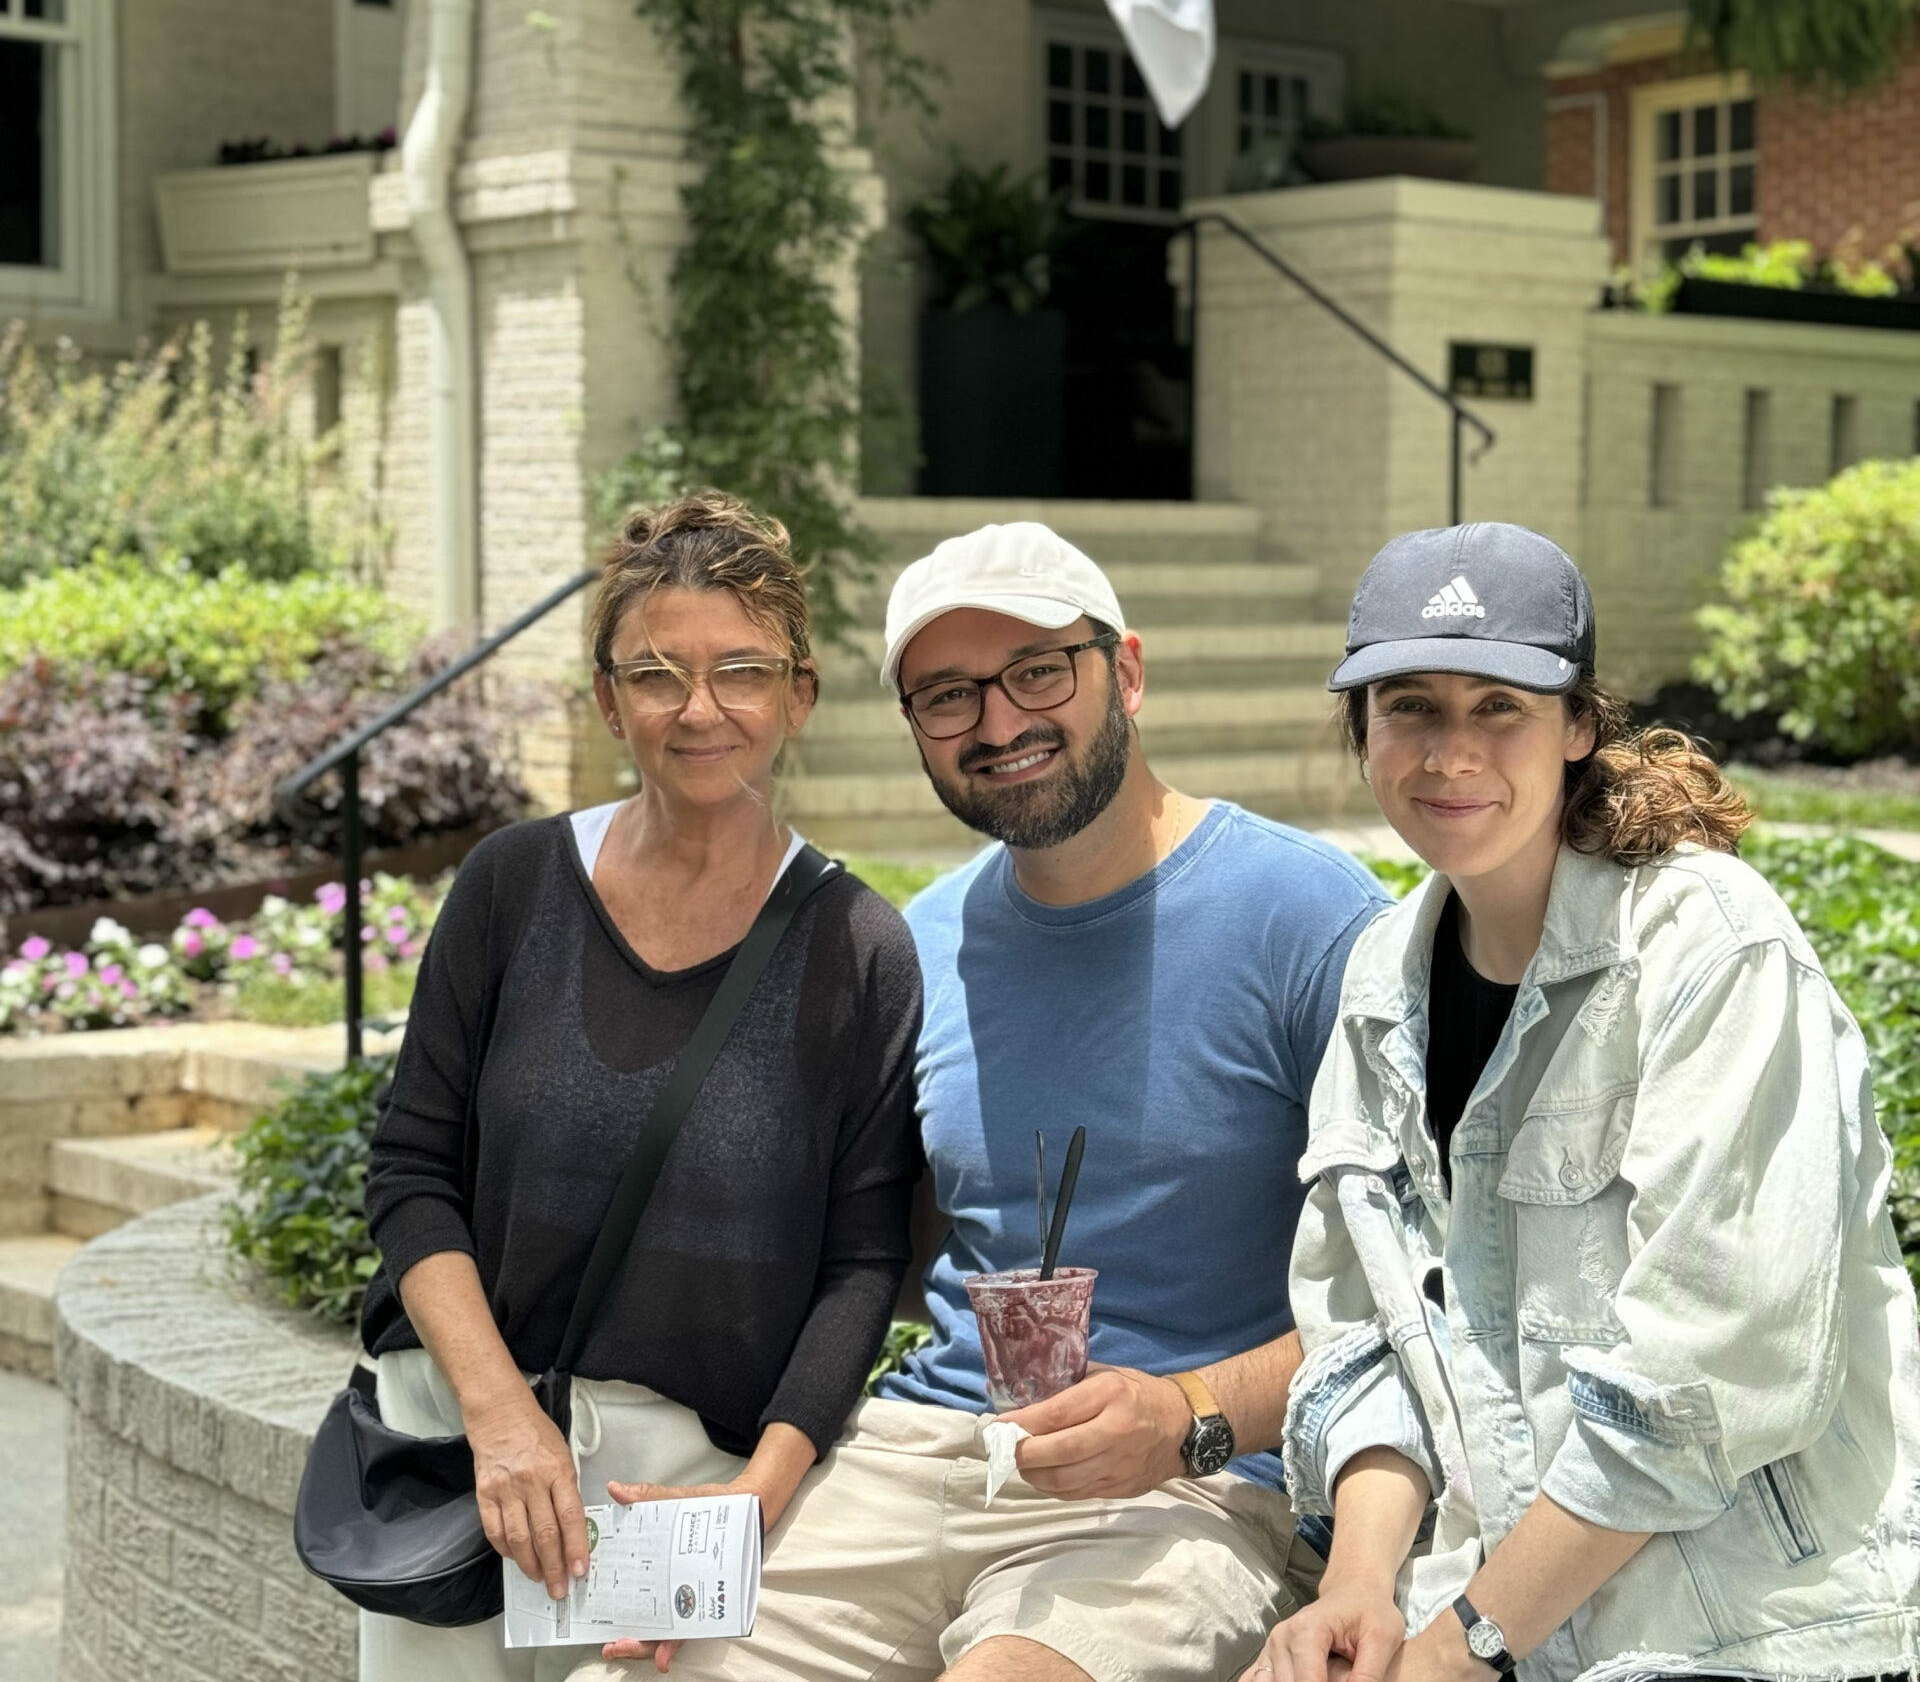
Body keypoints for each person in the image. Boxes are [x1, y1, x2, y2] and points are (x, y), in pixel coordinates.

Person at [631, 520, 1388, 1682]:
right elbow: (862, 1257)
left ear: (1125, 670)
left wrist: (1192, 1410)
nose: (996, 724)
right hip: (914, 1454)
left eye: (1038, 671)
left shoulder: (1310, 917)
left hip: (1185, 1494)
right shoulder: (919, 940)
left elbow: (1425, 1291)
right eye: (947, 696)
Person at [1257, 522, 1920, 1682]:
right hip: (1497, 1616)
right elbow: (1369, 1338)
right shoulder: (1378, 983)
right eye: (1410, 706)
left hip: (1751, 1633)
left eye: (1499, 706)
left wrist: (1462, 1643)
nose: (1450, 752)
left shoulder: (1712, 950)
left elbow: (1705, 1380)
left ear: (1577, 726)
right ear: (1363, 731)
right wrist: (1359, 1588)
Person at [355, 492, 925, 1682]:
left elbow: (862, 1261)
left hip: (681, 1488)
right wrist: (500, 1417)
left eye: (741, 672)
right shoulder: (512, 887)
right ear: (609, 700)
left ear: (799, 695)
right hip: (464, 1443)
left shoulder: (859, 949)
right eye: (657, 674)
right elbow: (410, 1172)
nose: (699, 708)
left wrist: (753, 1502)